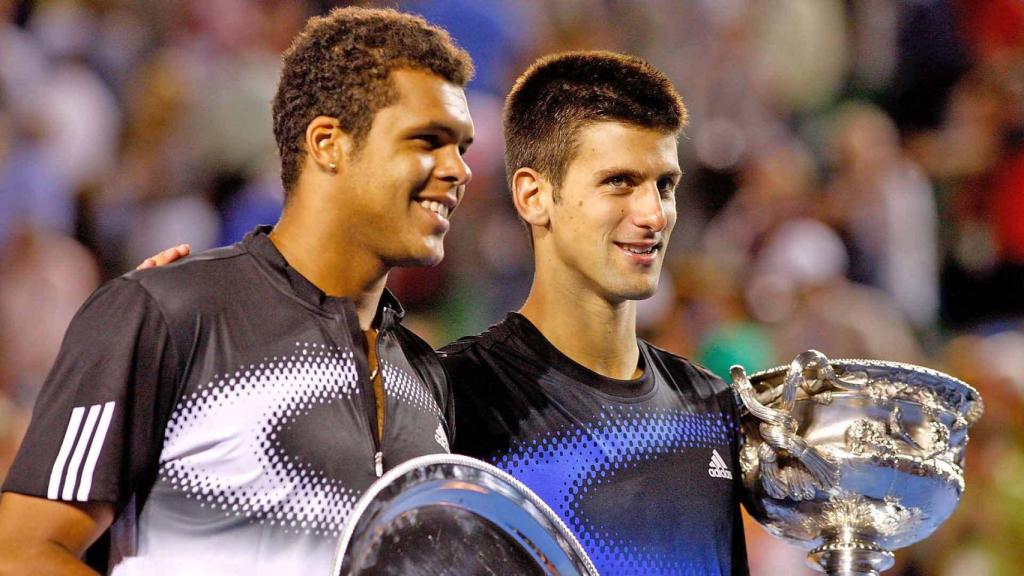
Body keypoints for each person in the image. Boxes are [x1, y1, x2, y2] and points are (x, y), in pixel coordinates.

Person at [0, 7, 475, 575]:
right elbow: (23, 553)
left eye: (463, 148)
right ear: (328, 143)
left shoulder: (423, 378)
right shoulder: (166, 312)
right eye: (429, 140)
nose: (458, 170)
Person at [439, 52, 749, 575]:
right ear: (534, 196)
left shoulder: (710, 408)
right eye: (619, 182)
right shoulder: (453, 398)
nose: (653, 214)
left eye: (665, 186)